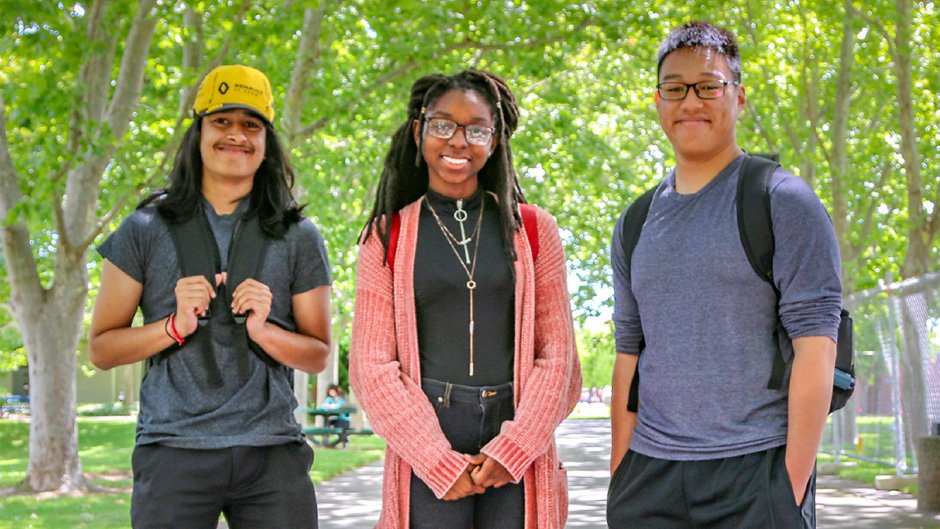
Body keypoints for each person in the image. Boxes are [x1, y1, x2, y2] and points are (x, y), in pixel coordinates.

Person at [607, 22, 842, 528]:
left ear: (738, 97)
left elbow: (817, 348)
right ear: (658, 101)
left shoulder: (783, 201)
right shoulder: (634, 222)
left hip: (755, 472)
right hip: (650, 478)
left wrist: (789, 487)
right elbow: (629, 354)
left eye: (709, 85)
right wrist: (619, 478)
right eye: (675, 88)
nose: (691, 100)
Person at [89, 64, 331, 529]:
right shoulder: (144, 229)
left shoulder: (299, 235)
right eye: (222, 120)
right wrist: (173, 326)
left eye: (251, 125)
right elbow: (102, 349)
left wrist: (265, 330)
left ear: (266, 143)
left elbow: (318, 354)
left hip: (272, 453)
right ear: (198, 132)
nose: (236, 135)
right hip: (172, 449)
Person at [349, 69, 581, 529]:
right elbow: (371, 366)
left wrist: (513, 449)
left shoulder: (535, 231)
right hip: (425, 431)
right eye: (443, 125)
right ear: (419, 130)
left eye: (476, 129)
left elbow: (559, 358)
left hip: (517, 429)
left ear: (494, 141)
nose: (458, 140)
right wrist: (434, 459)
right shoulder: (386, 237)